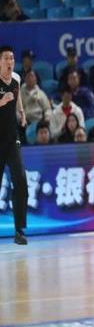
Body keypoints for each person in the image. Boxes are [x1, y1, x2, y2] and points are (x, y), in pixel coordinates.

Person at [0, 45, 28, 244]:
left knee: (20, 180)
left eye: (12, 58)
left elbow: (18, 101)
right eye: (6, 58)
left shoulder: (17, 79)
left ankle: (19, 230)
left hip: (12, 139)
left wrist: (22, 114)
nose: (10, 62)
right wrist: (1, 101)